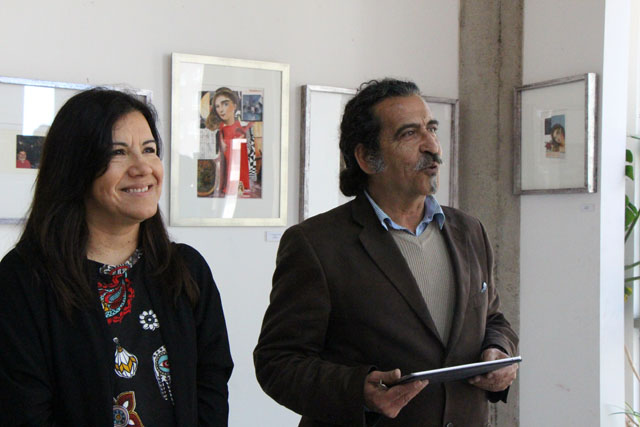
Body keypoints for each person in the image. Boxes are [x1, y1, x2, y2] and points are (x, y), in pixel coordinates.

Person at [254, 78, 518, 426]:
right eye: (409, 134)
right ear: (367, 158)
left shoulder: (469, 231)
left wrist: (500, 351)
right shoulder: (316, 244)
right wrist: (358, 390)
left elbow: (492, 319)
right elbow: (277, 362)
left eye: (431, 129)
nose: (432, 146)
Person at [0, 88, 233, 426]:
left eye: (149, 150)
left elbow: (212, 381)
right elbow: (22, 409)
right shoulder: (23, 280)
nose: (143, 167)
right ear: (75, 167)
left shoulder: (186, 269)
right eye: (118, 153)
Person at [208, 87, 255, 196]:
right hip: (228, 155)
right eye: (217, 106)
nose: (221, 110)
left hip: (238, 154)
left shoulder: (239, 124)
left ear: (234, 105)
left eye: (225, 104)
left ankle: (240, 187)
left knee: (239, 171)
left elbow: (243, 135)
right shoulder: (221, 127)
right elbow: (222, 144)